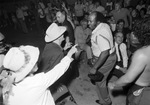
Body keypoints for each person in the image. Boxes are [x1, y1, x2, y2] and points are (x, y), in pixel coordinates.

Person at [0, 44, 77, 105]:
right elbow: (58, 71)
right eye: (33, 61)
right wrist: (69, 55)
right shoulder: (37, 81)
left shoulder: (5, 88)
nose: (36, 60)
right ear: (27, 68)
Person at [108, 18, 150, 105]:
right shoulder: (110, 45)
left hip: (138, 90)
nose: (132, 35)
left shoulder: (141, 53)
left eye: (135, 32)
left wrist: (114, 83)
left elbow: (127, 78)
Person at [88, 11, 116, 105]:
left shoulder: (99, 33)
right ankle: (102, 100)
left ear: (98, 22)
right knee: (98, 80)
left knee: (100, 82)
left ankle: (107, 102)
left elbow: (104, 53)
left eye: (90, 21)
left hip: (106, 59)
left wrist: (95, 67)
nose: (88, 23)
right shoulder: (104, 25)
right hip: (105, 57)